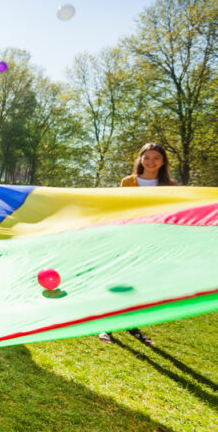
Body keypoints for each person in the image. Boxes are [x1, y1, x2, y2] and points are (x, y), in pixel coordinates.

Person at [98, 143, 177, 346]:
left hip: (152, 241)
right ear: (140, 159)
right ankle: (106, 325)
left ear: (163, 162)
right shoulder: (128, 182)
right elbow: (120, 209)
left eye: (156, 158)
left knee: (140, 283)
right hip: (127, 237)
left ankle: (132, 323)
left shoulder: (170, 187)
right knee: (120, 280)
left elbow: (172, 214)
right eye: (147, 157)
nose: (151, 162)